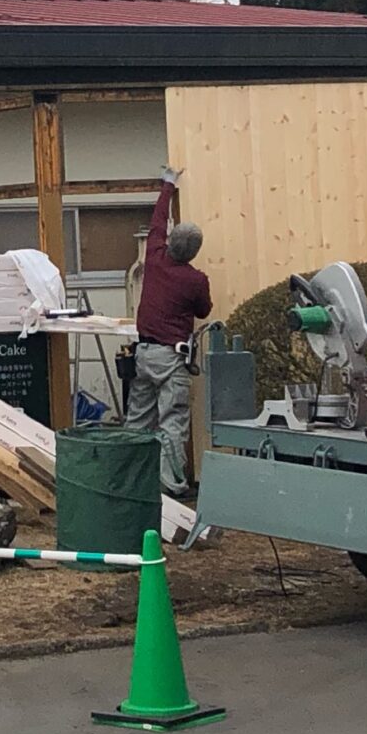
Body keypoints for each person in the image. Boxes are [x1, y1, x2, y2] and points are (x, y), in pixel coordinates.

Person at [127, 165, 212, 498]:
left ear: (170, 243)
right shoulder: (195, 280)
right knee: (172, 422)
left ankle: (130, 481)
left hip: (143, 354)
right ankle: (174, 486)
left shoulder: (154, 256)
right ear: (194, 252)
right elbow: (203, 311)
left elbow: (157, 222)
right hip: (170, 358)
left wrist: (167, 186)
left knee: (138, 421)